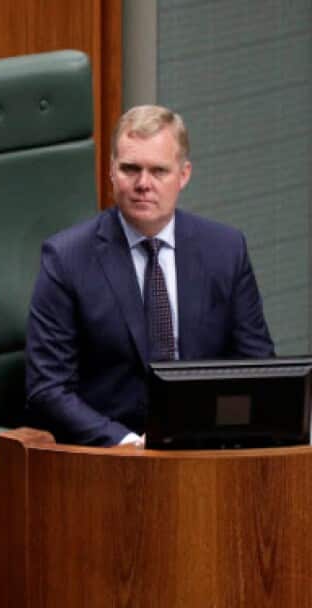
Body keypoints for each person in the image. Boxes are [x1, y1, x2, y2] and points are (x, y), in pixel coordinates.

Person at [25, 105, 274, 447]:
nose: (144, 184)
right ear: (111, 170)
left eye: (159, 171)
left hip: (209, 450)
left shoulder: (226, 249)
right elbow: (47, 389)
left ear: (183, 175)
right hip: (110, 456)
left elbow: (258, 369)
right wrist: (125, 442)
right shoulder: (67, 259)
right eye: (130, 169)